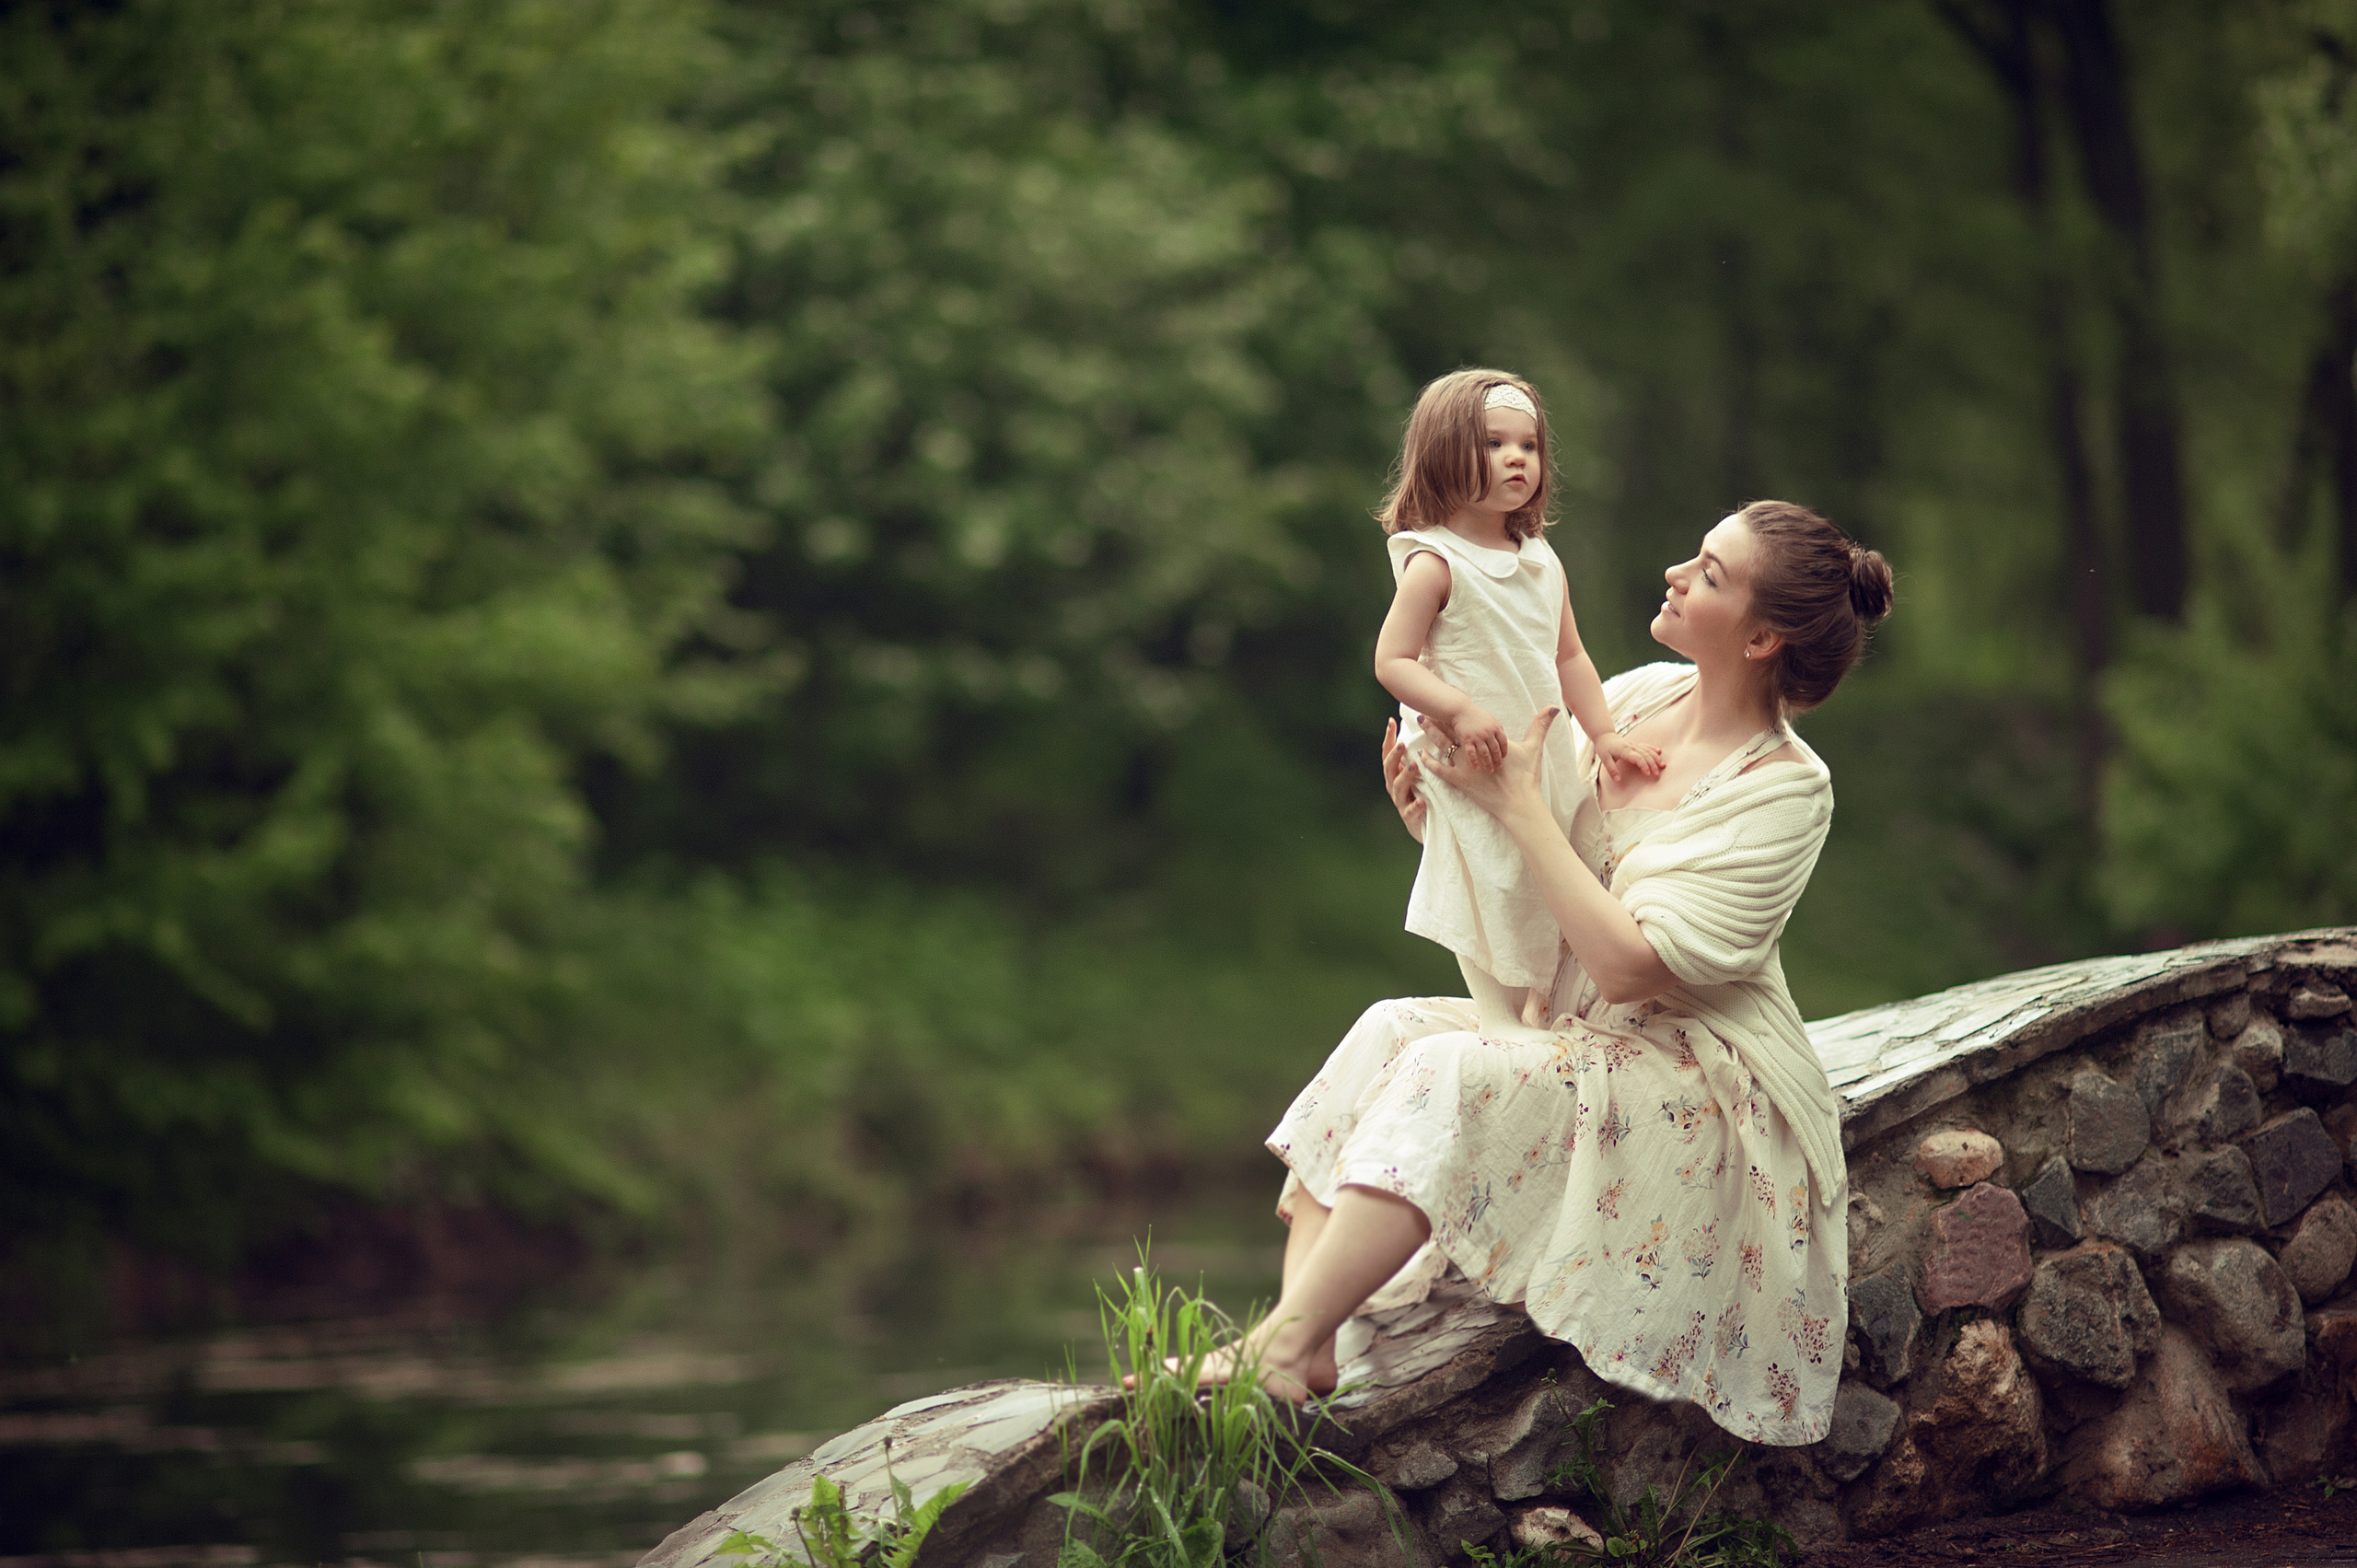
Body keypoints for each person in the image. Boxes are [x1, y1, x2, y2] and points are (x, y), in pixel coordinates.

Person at [1237, 500, 1894, 1447]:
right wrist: (1449, 819)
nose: (1676, 571)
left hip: (1698, 1077)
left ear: (1759, 637)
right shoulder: (1629, 699)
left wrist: (1514, 808)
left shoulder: (1783, 788)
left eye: (1709, 572)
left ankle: (1279, 1341)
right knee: (1390, 1030)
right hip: (1579, 1025)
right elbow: (1540, 881)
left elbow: (1628, 965)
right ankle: (1307, 1335)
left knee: (1446, 1070)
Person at [1371, 370, 1663, 1040]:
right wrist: (1458, 707)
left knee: (1543, 870)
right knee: (1487, 875)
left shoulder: (1540, 560)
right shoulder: (1434, 563)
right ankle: (1497, 1015)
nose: (1516, 458)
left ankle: (1542, 1000)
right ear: (1444, 453)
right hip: (1465, 751)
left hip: (1537, 752)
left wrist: (1607, 734)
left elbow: (1570, 658)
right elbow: (1392, 660)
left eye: (1528, 446)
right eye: (1493, 443)